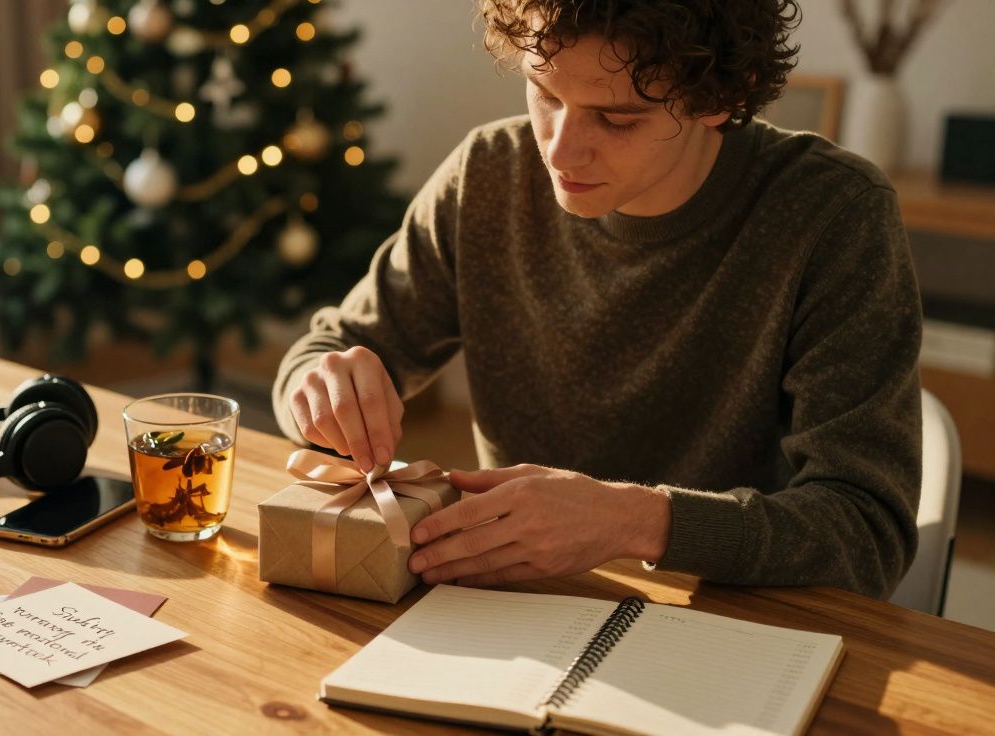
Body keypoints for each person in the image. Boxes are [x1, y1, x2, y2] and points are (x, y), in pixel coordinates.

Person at [271, 0, 922, 599]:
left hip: (737, 624)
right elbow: (329, 348)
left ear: (721, 98)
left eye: (617, 118)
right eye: (545, 93)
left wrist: (636, 522)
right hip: (517, 611)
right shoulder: (487, 175)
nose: (559, 148)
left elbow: (866, 532)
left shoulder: (835, 215)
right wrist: (317, 384)